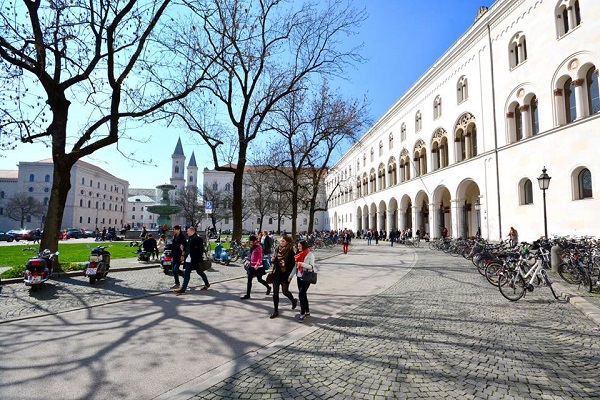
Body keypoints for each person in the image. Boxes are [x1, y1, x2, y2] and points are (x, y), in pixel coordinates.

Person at [174, 226, 210, 295]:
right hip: (188, 260)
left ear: (192, 231)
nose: (187, 232)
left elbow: (200, 250)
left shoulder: (198, 239)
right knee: (187, 273)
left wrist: (197, 258)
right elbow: (187, 248)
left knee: (200, 272)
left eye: (188, 231)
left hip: (195, 260)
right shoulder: (189, 239)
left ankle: (207, 283)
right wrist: (183, 250)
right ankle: (183, 289)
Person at [269, 234, 297, 318]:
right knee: (275, 293)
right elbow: (275, 259)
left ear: (287, 242)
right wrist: (273, 260)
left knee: (285, 292)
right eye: (280, 241)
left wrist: (286, 263)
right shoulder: (277, 249)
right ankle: (276, 311)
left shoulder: (290, 251)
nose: (281, 242)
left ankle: (293, 300)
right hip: (276, 273)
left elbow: (293, 264)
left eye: (283, 241)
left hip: (285, 274)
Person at [289, 240, 315, 322]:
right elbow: (295, 267)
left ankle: (302, 313)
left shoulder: (310, 255)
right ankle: (307, 311)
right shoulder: (298, 255)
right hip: (299, 277)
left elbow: (311, 267)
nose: (298, 247)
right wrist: (290, 276)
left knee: (301, 294)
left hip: (306, 277)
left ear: (304, 246)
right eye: (298, 246)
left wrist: (302, 264)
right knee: (303, 295)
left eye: (300, 246)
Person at [240, 235, 271, 299]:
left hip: (258, 267)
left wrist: (257, 264)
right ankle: (248, 295)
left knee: (259, 279)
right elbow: (251, 255)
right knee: (249, 280)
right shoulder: (252, 246)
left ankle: (268, 287)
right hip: (251, 266)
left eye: (251, 242)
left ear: (255, 241)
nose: (250, 243)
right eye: (250, 242)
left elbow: (260, 257)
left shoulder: (259, 247)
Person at [170, 225, 187, 290]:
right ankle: (177, 283)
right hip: (174, 254)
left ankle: (185, 275)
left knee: (176, 269)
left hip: (179, 255)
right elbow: (173, 245)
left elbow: (184, 246)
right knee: (174, 271)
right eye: (173, 229)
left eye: (175, 229)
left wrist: (182, 255)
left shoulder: (182, 237)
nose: (173, 231)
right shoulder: (175, 236)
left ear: (179, 229)